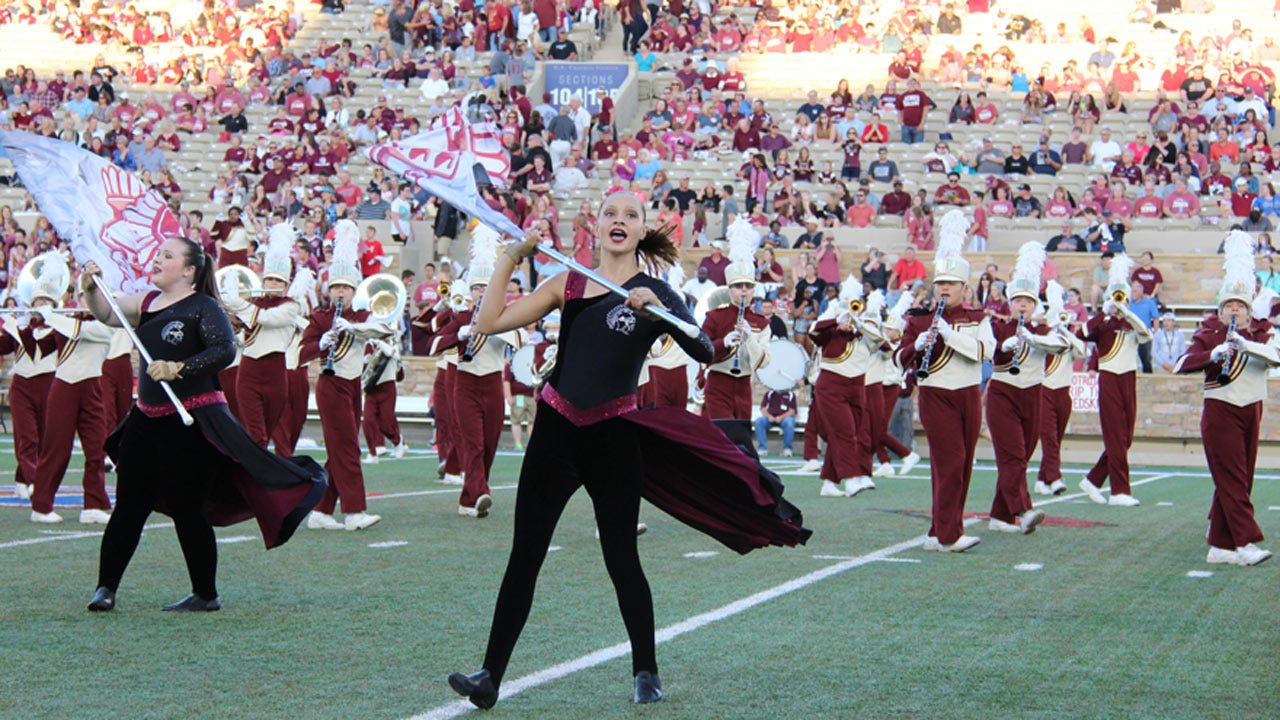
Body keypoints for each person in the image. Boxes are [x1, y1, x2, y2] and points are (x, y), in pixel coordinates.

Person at [447, 192, 810, 709]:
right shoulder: (566, 282)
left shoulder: (654, 289)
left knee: (621, 557)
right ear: (596, 228)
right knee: (524, 556)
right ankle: (489, 676)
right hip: (554, 430)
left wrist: (661, 313)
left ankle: (646, 670)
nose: (619, 220)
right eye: (610, 214)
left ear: (642, 231)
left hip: (612, 435)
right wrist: (510, 258)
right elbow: (487, 324)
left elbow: (703, 350)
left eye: (630, 215)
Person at [79, 236, 326, 613]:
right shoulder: (145, 302)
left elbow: (224, 350)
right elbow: (108, 313)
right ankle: (105, 588)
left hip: (191, 423)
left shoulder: (203, 307)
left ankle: (205, 594)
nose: (157, 260)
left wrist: (180, 368)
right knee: (128, 506)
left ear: (190, 270)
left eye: (167, 256)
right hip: (145, 419)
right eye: (158, 254)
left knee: (187, 509)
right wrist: (89, 288)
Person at [1174, 231, 1279, 567]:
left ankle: (1219, 545)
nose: (1235, 310)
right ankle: (1245, 543)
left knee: (1239, 477)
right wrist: (1213, 354)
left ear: (1249, 310)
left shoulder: (1262, 332)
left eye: (1240, 306)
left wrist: (1246, 344)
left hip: (1252, 407)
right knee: (1232, 476)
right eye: (1229, 306)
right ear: (1220, 310)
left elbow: (1276, 355)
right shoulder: (1208, 334)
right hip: (1221, 410)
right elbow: (1181, 365)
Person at [894, 211, 995, 552]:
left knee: (962, 464)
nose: (944, 289)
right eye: (940, 283)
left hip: (968, 393)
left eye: (951, 284)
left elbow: (985, 352)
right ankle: (950, 535)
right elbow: (897, 357)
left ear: (964, 288)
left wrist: (950, 336)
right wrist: (917, 344)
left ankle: (938, 530)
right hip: (936, 394)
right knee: (949, 461)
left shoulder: (977, 318)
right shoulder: (920, 320)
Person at [300, 221, 397, 530]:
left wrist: (352, 328)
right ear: (329, 290)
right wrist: (321, 342)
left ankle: (320, 511)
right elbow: (298, 353)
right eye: (336, 287)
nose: (340, 292)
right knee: (346, 448)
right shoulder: (321, 317)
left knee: (340, 448)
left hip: (353, 385)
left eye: (346, 287)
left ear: (355, 289)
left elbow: (384, 329)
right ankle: (355, 511)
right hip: (331, 386)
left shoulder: (360, 316)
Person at [984, 244, 1067, 535]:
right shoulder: (997, 326)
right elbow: (985, 349)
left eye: (1027, 302)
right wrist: (1003, 345)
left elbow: (1062, 345)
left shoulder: (1040, 330)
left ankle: (1000, 516)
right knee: (1013, 456)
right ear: (1009, 302)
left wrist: (1033, 339)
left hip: (1033, 394)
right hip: (1003, 393)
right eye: (1017, 300)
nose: (1022, 306)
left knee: (1021, 457)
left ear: (1034, 306)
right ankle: (1023, 509)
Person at [26, 257, 114, 524]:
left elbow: (83, 332)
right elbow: (38, 348)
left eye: (94, 297)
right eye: (84, 296)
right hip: (64, 387)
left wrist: (51, 315)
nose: (87, 302)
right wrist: (31, 322)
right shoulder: (65, 321)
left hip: (92, 386)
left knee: (97, 448)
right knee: (56, 448)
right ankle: (41, 507)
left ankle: (93, 505)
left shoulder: (104, 324)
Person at [219, 224, 304, 447]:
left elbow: (267, 318)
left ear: (286, 285)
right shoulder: (253, 303)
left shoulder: (291, 306)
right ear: (263, 281)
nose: (273, 284)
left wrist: (236, 302)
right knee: (254, 433)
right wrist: (228, 305)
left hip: (275, 372)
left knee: (267, 430)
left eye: (278, 281)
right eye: (269, 280)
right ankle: (252, 478)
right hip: (249, 371)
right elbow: (236, 327)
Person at [1079, 254, 1152, 506]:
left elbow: (1146, 334)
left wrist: (1126, 312)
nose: (1120, 302)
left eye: (1124, 298)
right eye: (1117, 297)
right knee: (1115, 436)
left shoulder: (1133, 324)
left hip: (1128, 379)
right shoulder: (1103, 326)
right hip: (1109, 378)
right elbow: (1083, 332)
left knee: (1126, 437)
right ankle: (1119, 491)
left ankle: (1092, 480)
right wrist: (1105, 310)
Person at [1036, 281, 1088, 496]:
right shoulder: (1044, 338)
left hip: (1063, 393)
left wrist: (1066, 332)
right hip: (1044, 391)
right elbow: (1040, 344)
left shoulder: (1068, 341)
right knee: (1048, 437)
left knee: (1056, 438)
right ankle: (1055, 477)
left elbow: (1082, 352)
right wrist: (1052, 329)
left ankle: (1042, 479)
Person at [754, 386, 798, 456]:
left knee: (789, 422)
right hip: (769, 418)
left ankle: (787, 449)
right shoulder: (769, 394)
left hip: (784, 418)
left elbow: (792, 411)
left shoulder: (790, 394)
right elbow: (763, 408)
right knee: (759, 422)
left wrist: (781, 417)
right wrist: (769, 416)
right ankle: (762, 449)